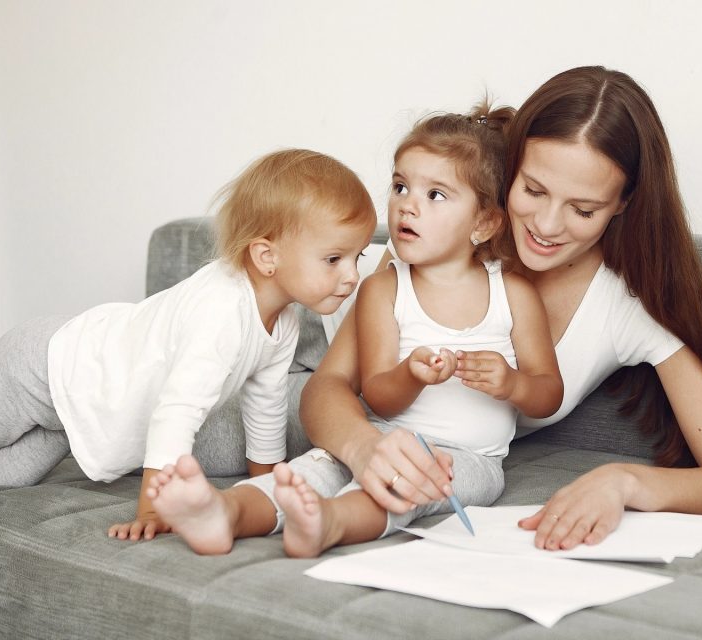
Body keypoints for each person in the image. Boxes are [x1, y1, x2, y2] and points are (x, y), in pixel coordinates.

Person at [299, 65, 702, 553]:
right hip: (312, 365)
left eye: (583, 210)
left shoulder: (626, 306)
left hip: (427, 450)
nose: (546, 225)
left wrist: (624, 482)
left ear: (624, 204)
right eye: (532, 190)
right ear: (512, 168)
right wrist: (363, 448)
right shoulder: (442, 229)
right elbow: (327, 386)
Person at [148, 102, 562, 557]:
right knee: (310, 471)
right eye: (401, 186)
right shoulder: (384, 289)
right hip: (378, 433)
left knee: (408, 488)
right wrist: (411, 375)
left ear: (483, 222)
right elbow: (378, 395)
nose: (407, 205)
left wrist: (511, 382)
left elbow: (547, 395)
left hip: (471, 459)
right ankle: (224, 512)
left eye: (435, 195)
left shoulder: (514, 295)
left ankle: (330, 523)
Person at [0, 149, 376, 543]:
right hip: (42, 366)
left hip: (73, 417)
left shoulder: (284, 323)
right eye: (334, 259)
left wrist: (270, 489)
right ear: (266, 257)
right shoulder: (222, 311)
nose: (352, 276)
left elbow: (266, 408)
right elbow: (177, 412)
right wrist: (154, 509)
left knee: (4, 483)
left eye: (356, 256)